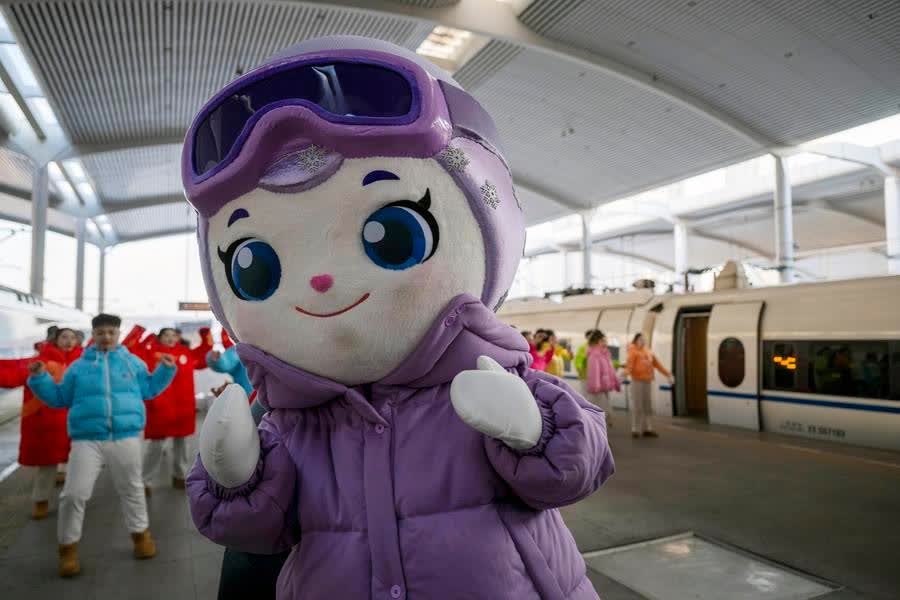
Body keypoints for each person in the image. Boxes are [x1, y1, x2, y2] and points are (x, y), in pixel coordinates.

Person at [182, 36, 613, 599]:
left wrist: (538, 432)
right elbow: (262, 535)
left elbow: (578, 471)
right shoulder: (291, 423)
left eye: (394, 235)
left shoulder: (484, 380)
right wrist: (236, 482)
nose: (321, 282)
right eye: (255, 267)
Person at [27, 313, 176, 578]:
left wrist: (165, 370)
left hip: (126, 436)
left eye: (111, 332)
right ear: (93, 335)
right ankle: (68, 549)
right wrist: (40, 379)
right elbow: (60, 398)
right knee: (73, 494)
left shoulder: (133, 364)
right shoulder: (78, 367)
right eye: (100, 333)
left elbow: (150, 389)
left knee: (132, 488)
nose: (106, 337)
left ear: (118, 334)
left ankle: (141, 537)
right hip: (87, 439)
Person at [0, 328, 81, 519]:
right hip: (48, 423)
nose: (69, 341)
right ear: (55, 340)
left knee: (79, 464)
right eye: (64, 337)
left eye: (72, 338)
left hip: (76, 420)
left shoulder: (82, 362)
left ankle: (73, 501)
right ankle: (41, 501)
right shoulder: (41, 361)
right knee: (47, 465)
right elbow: (14, 376)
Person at [142, 327, 198, 493]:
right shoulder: (151, 353)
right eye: (166, 335)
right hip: (160, 407)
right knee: (156, 446)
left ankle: (179, 476)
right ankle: (146, 481)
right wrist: (147, 339)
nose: (170, 338)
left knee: (182, 445)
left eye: (174, 335)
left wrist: (204, 335)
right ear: (159, 338)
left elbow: (203, 358)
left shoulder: (186, 353)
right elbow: (134, 351)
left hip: (183, 406)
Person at [625, 332, 673, 438]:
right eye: (640, 339)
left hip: (648, 381)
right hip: (636, 381)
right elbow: (629, 366)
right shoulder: (633, 352)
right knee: (638, 406)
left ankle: (648, 428)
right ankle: (635, 429)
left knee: (648, 405)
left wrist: (668, 374)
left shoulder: (648, 352)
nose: (643, 341)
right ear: (635, 341)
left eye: (644, 339)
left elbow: (657, 364)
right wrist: (624, 375)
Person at [585, 330, 619, 427]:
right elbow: (594, 373)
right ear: (597, 341)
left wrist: (615, 383)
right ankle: (598, 439)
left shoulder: (605, 354)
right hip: (598, 388)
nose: (606, 342)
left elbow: (611, 371)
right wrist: (595, 387)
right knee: (600, 413)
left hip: (605, 387)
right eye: (603, 340)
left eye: (605, 340)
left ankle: (601, 438)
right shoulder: (595, 355)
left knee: (605, 412)